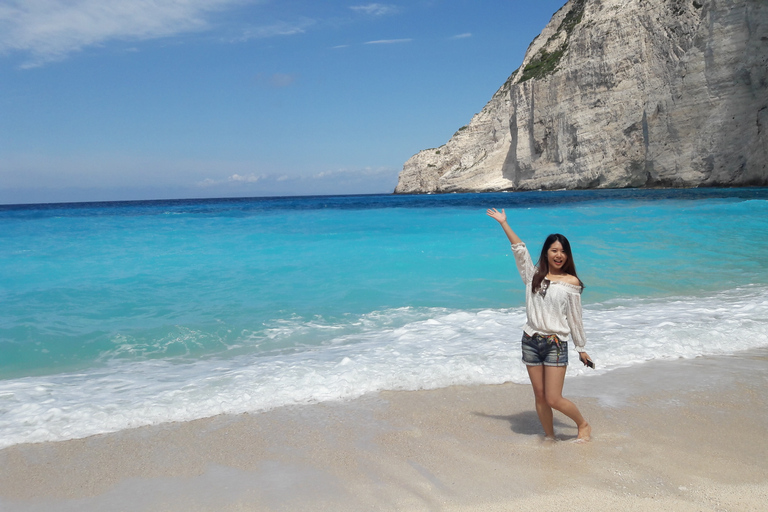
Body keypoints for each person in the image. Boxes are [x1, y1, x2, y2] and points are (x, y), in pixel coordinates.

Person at [486, 208, 592, 442]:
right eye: (554, 250)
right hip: (531, 341)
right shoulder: (533, 276)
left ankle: (583, 424)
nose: (559, 255)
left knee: (554, 398)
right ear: (546, 253)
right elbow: (520, 250)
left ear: (568, 256)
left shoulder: (571, 283)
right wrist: (504, 223)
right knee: (540, 397)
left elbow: (575, 317)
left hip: (555, 342)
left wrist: (581, 348)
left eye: (563, 251)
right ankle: (550, 437)